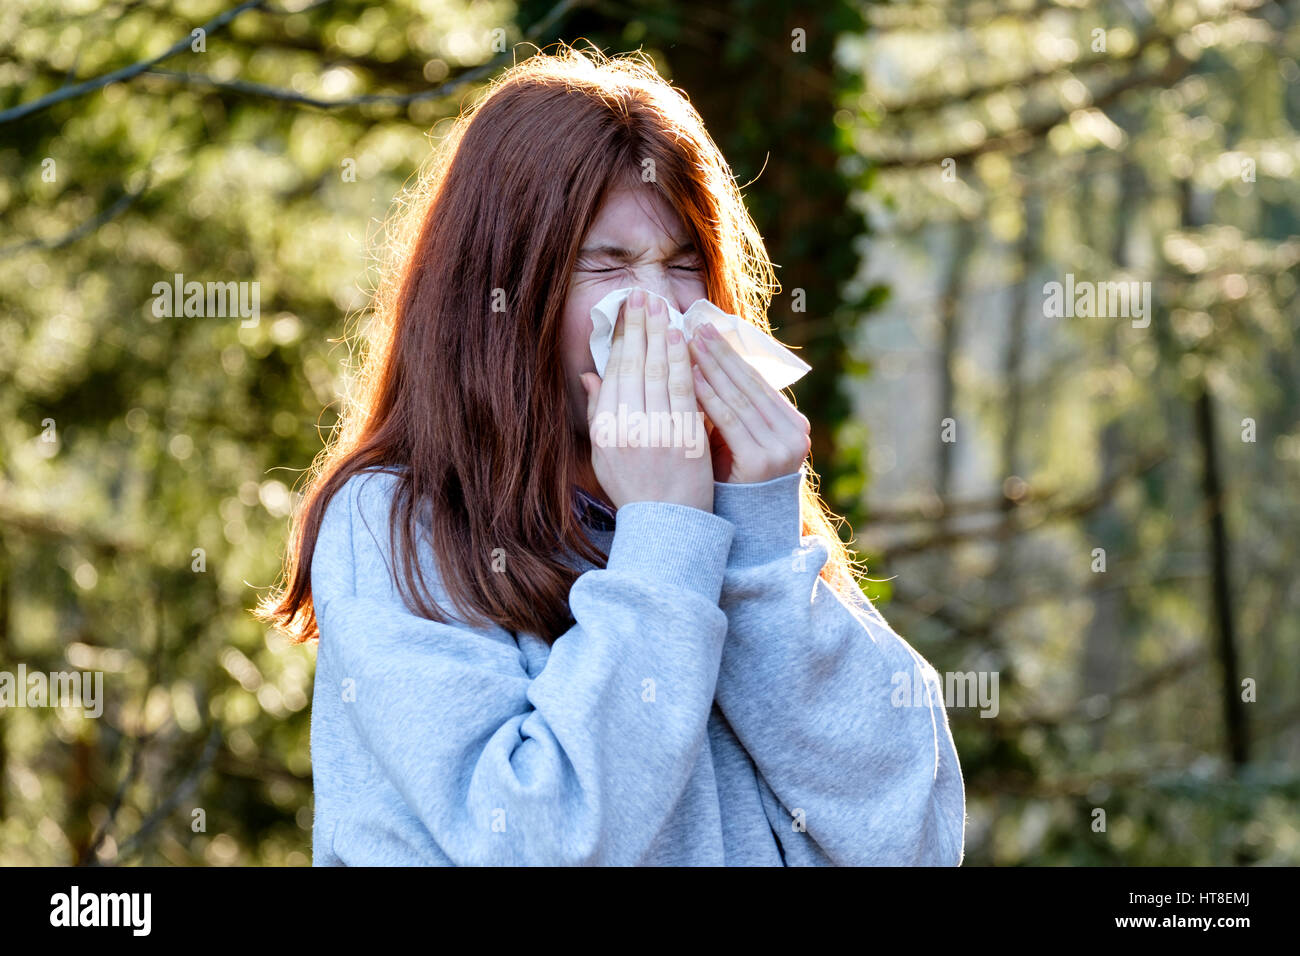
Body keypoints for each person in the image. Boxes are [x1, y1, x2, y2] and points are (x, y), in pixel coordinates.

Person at [257, 45, 965, 866]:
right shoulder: (395, 523)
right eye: (609, 266)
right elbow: (539, 842)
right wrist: (663, 536)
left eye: (683, 264)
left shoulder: (730, 510)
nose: (662, 310)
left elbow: (912, 837)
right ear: (508, 293)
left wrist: (762, 549)